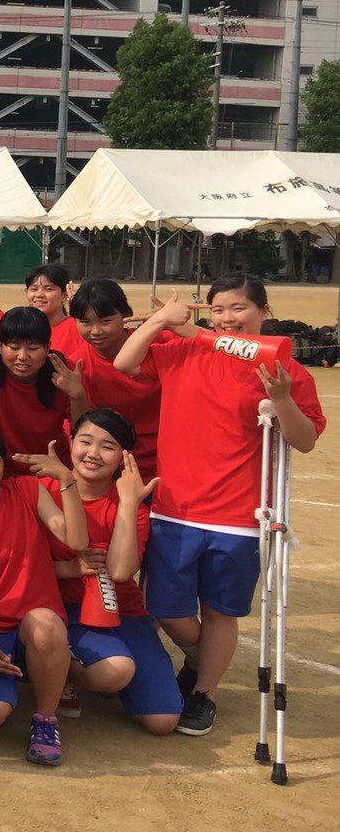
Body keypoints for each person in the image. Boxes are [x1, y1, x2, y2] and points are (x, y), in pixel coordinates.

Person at [114, 275, 325, 737]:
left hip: (239, 516)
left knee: (219, 611)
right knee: (163, 607)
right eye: (218, 309)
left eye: (239, 308)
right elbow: (125, 363)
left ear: (263, 312)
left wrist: (282, 398)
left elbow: (305, 439)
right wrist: (160, 322)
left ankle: (204, 692)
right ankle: (200, 658)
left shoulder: (287, 369)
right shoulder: (186, 350)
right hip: (175, 506)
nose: (228, 318)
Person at [20, 409, 180, 733]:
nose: (93, 453)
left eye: (107, 446)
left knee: (162, 721)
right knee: (115, 671)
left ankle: (96, 666)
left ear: (124, 457)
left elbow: (120, 571)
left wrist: (128, 504)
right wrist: (68, 569)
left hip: (121, 610)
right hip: (65, 610)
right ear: (70, 442)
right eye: (85, 441)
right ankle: (62, 668)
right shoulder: (42, 491)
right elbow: (18, 569)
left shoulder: (130, 503)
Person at [0, 423, 87, 767]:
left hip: (35, 626)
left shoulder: (27, 490)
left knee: (46, 624)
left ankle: (46, 720)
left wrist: (65, 478)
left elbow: (76, 540)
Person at [62, 279, 186, 482]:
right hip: (115, 471)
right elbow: (82, 429)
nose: (95, 331)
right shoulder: (77, 366)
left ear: (126, 315)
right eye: (85, 322)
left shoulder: (160, 342)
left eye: (105, 321)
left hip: (172, 461)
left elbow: (218, 349)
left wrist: (175, 323)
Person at [0, 306, 86, 476]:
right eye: (14, 347)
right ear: (0, 345)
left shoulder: (64, 373)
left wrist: (77, 395)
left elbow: (83, 432)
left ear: (47, 348)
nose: (22, 356)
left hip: (55, 470)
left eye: (32, 348)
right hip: (1, 474)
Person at [24, 263, 81, 360]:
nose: (39, 294)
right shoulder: (20, 327)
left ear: (64, 295)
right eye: (34, 289)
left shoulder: (78, 328)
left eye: (48, 289)